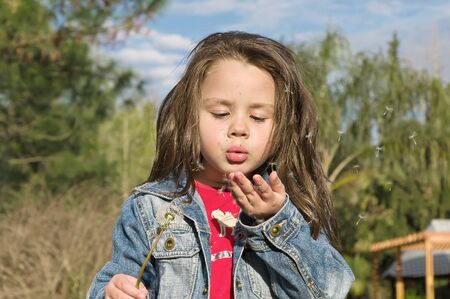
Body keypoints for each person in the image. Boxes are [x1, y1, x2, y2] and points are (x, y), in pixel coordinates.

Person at [87, 31, 354, 299]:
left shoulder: (293, 205)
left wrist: (275, 222)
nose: (239, 128)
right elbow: (121, 280)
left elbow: (331, 291)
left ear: (283, 126)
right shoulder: (150, 208)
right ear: (190, 115)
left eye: (258, 117)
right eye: (221, 114)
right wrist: (113, 293)